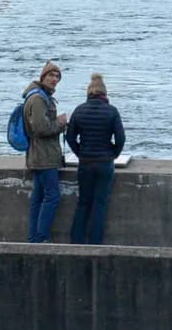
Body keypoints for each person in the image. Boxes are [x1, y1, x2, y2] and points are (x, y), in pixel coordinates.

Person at [66, 73, 126, 246]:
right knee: (100, 203)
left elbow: (70, 138)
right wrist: (113, 154)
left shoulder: (79, 110)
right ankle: (95, 242)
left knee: (83, 202)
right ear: (104, 95)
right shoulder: (112, 111)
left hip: (85, 162)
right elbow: (121, 138)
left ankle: (76, 241)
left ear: (88, 93)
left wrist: (79, 153)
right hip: (105, 162)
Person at [22, 61, 70, 243]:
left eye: (57, 77)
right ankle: (41, 237)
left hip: (37, 155)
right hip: (44, 157)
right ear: (43, 76)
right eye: (51, 75)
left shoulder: (36, 96)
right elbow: (42, 129)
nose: (55, 79)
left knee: (38, 197)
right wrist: (60, 122)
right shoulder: (39, 99)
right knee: (52, 196)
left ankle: (33, 238)